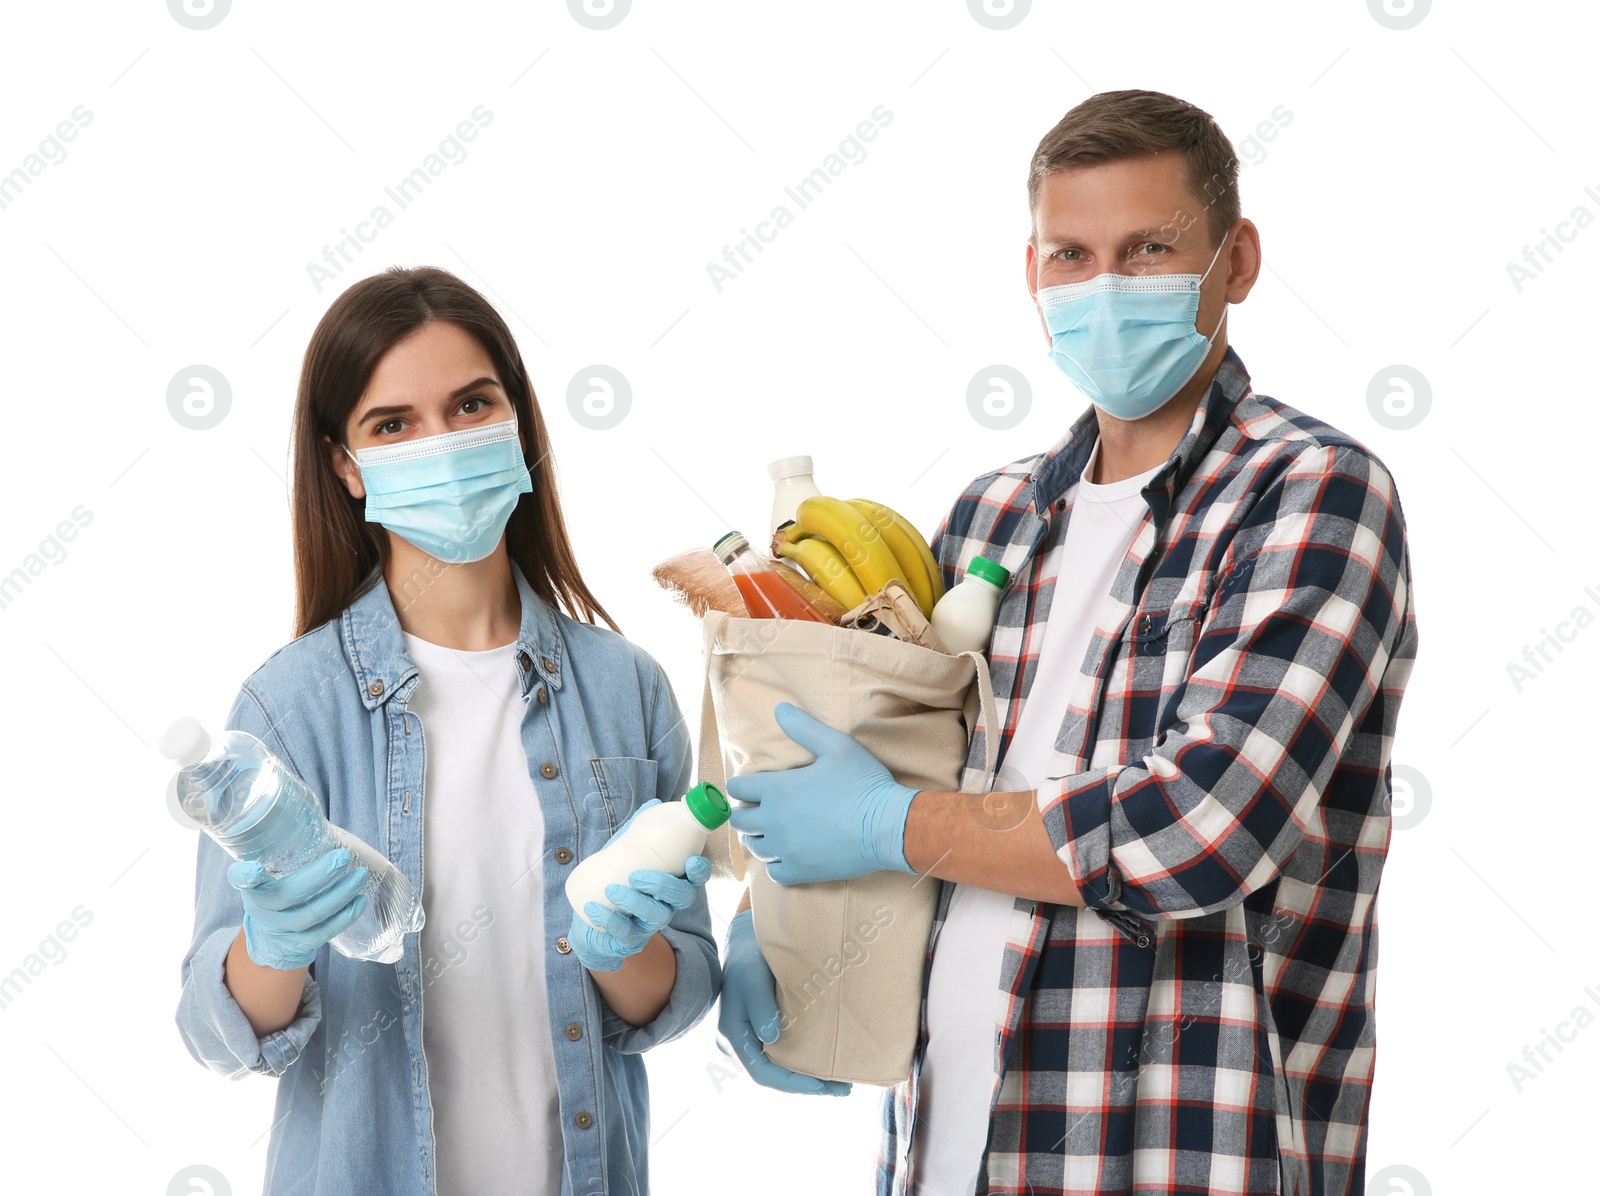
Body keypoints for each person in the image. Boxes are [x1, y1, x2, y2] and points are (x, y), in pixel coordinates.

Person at [720, 89, 1419, 1196]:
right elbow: (900, 766)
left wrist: (884, 824)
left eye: (1149, 250)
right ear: (1032, 277)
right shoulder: (987, 518)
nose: (1105, 287)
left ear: (1234, 259)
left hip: (1179, 1157)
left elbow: (1203, 822)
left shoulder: (1311, 491)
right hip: (945, 1151)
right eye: (1072, 255)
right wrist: (787, 922)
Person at [175, 266, 719, 1195]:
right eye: (394, 425)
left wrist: (624, 947)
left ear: (518, 423)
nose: (444, 443)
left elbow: (674, 999)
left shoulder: (626, 689)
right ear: (346, 465)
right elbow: (217, 1030)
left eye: (472, 405)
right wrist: (272, 948)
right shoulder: (289, 706)